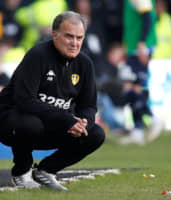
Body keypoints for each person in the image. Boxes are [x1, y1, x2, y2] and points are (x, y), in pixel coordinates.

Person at [0, 11, 105, 191]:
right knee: (30, 124)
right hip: (11, 124)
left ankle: (46, 171)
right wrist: (66, 119)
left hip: (51, 125)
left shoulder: (85, 64)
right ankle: (21, 172)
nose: (74, 43)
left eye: (79, 38)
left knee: (95, 134)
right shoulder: (37, 55)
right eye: (69, 36)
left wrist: (83, 122)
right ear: (54, 35)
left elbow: (88, 105)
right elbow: (24, 100)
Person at [120, 0, 164, 145]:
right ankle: (137, 131)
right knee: (133, 88)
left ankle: (153, 118)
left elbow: (148, 17)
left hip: (139, 48)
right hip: (133, 47)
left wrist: (142, 43)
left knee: (130, 88)